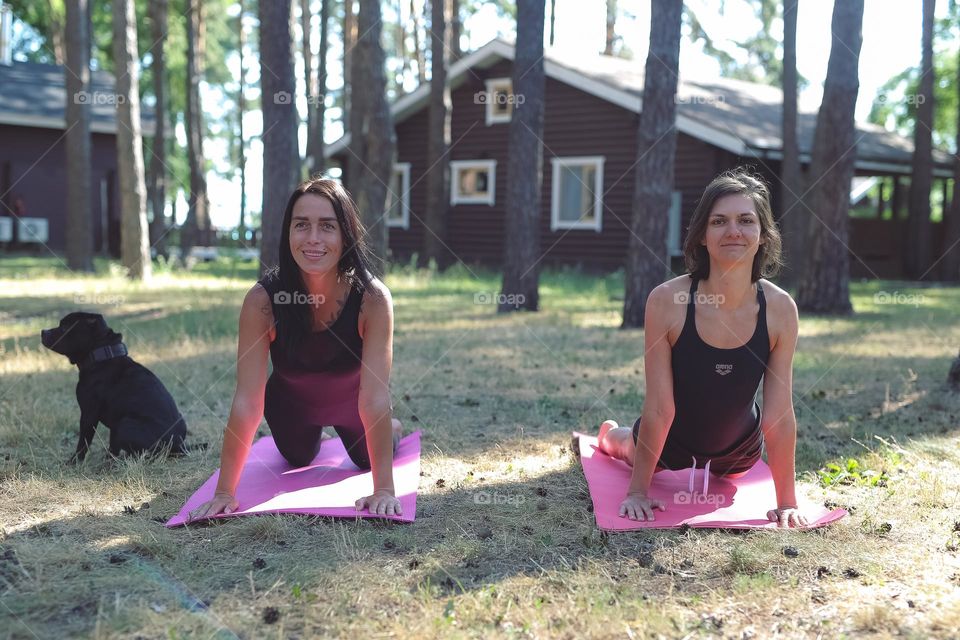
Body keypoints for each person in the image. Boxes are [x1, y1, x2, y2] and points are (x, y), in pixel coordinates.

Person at [598, 168, 808, 528]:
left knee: (728, 480)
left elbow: (779, 415)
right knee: (623, 448)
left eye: (746, 220)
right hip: (669, 441)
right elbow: (660, 408)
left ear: (762, 235)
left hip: (740, 450)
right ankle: (607, 435)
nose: (733, 231)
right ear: (702, 236)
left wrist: (786, 502)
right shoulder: (667, 300)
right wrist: (637, 492)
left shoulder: (781, 308)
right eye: (719, 221)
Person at [189, 178, 403, 520]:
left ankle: (393, 427)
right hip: (291, 407)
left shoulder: (373, 299)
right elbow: (247, 399)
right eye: (301, 225)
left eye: (327, 226)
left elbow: (375, 397)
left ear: (346, 234)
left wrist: (384, 489)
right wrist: (225, 492)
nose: (313, 238)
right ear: (288, 232)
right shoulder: (262, 301)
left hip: (355, 406)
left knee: (365, 459)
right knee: (297, 457)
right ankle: (311, 435)